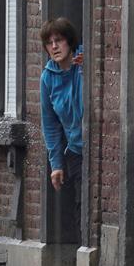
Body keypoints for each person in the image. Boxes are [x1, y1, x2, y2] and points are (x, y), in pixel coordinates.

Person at [40, 17, 83, 239]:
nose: (54, 46)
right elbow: (50, 124)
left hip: (98, 147)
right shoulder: (48, 79)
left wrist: (86, 66)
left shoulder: (84, 62)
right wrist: (56, 164)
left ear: (70, 42)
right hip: (76, 150)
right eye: (49, 43)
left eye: (59, 40)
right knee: (80, 206)